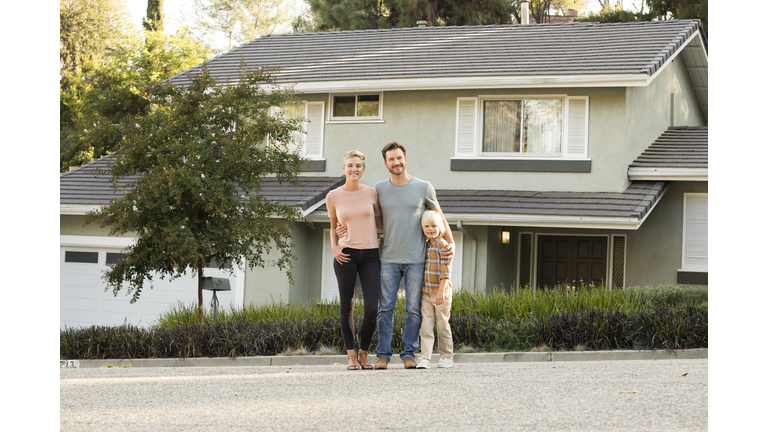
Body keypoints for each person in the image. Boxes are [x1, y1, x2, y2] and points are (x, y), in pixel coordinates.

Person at [340, 141, 454, 369]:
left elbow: (438, 216)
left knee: (413, 310)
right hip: (389, 258)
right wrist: (342, 228)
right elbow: (370, 217)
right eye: (391, 159)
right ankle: (383, 355)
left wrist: (450, 243)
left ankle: (408, 354)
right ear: (385, 163)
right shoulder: (379, 189)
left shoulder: (424, 187)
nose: (396, 162)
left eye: (399, 158)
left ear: (406, 159)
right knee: (385, 309)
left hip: (416, 259)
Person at [325, 150, 383, 370]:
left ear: (363, 169)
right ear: (344, 168)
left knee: (371, 308)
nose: (354, 169)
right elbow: (333, 228)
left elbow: (380, 223)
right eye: (350, 165)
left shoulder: (372, 194)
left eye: (358, 165)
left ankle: (363, 352)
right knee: (346, 306)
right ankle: (351, 356)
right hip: (346, 254)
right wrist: (335, 247)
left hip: (370, 255)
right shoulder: (333, 196)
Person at [416, 210, 454, 369]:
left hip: (441, 292)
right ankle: (425, 358)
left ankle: (447, 357)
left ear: (440, 228)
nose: (430, 229)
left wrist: (440, 292)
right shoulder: (424, 245)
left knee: (442, 324)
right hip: (426, 293)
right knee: (426, 326)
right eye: (426, 226)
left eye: (434, 226)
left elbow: (446, 271)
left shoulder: (443, 245)